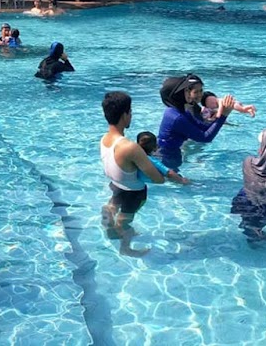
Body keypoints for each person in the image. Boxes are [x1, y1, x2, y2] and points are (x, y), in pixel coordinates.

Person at [100, 91, 165, 256]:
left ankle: (110, 229)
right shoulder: (130, 147)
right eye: (130, 112)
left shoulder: (105, 139)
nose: (131, 116)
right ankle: (126, 248)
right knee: (125, 222)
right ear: (124, 115)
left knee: (112, 207)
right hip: (134, 193)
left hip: (116, 186)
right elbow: (158, 179)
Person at [157, 74, 235, 171]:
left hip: (170, 152)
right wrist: (223, 115)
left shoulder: (180, 111)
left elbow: (203, 128)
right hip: (166, 156)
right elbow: (205, 138)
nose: (189, 93)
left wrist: (220, 116)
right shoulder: (177, 117)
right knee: (176, 182)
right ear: (178, 95)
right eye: (186, 91)